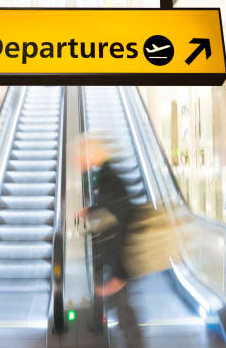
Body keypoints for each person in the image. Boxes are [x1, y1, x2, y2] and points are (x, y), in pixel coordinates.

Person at [77, 136, 144, 348]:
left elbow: (121, 221)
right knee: (118, 304)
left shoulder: (110, 179)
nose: (78, 162)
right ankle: (98, 323)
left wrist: (120, 274)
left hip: (118, 257)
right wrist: (92, 211)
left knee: (124, 310)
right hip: (110, 254)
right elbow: (112, 210)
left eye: (81, 156)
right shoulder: (104, 176)